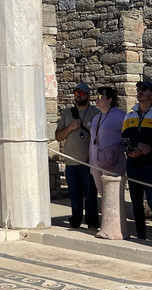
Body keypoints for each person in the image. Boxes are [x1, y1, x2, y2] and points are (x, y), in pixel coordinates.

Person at [122, 79, 152, 242]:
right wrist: (135, 148)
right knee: (136, 201)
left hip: (150, 165)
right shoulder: (130, 115)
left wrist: (143, 149)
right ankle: (141, 234)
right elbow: (124, 137)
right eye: (138, 88)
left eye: (144, 89)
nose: (140, 91)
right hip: (133, 163)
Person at [55, 82, 99, 229]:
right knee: (74, 195)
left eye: (81, 94)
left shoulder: (95, 113)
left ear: (88, 95)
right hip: (72, 162)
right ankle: (76, 219)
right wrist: (70, 127)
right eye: (76, 94)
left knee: (91, 195)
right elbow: (58, 136)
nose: (78, 96)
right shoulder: (68, 113)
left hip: (88, 162)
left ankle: (92, 222)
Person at [89, 86, 127, 240]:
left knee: (113, 196)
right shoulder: (98, 116)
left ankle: (116, 227)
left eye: (100, 96)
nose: (97, 99)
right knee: (103, 195)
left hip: (112, 163)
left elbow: (127, 134)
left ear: (110, 100)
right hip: (96, 163)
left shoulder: (120, 116)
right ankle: (107, 225)